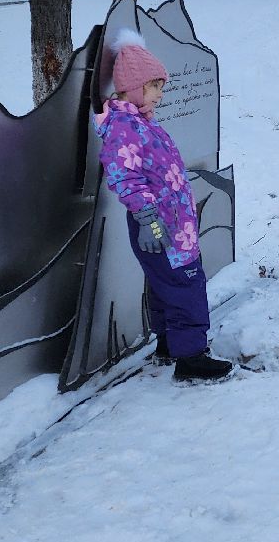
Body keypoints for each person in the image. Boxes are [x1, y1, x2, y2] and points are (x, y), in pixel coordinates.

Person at [94, 30, 235, 383]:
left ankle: (170, 343)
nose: (160, 94)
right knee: (186, 284)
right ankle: (191, 359)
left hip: (170, 223)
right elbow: (124, 177)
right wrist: (147, 220)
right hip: (160, 224)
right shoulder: (125, 127)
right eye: (155, 86)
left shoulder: (138, 123)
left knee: (165, 284)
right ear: (135, 86)